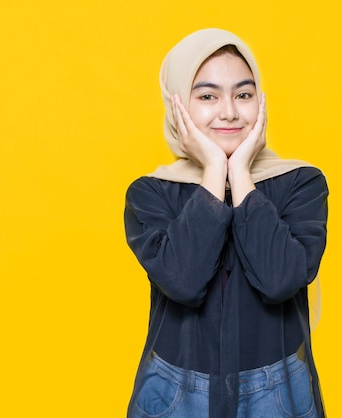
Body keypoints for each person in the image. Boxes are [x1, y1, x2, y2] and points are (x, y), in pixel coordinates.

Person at [124, 28, 329, 418]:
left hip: (278, 389)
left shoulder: (301, 183)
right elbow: (183, 280)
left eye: (244, 94)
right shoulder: (151, 193)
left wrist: (242, 175)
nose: (230, 111)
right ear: (177, 104)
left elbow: (280, 280)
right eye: (207, 96)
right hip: (175, 391)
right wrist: (215, 169)